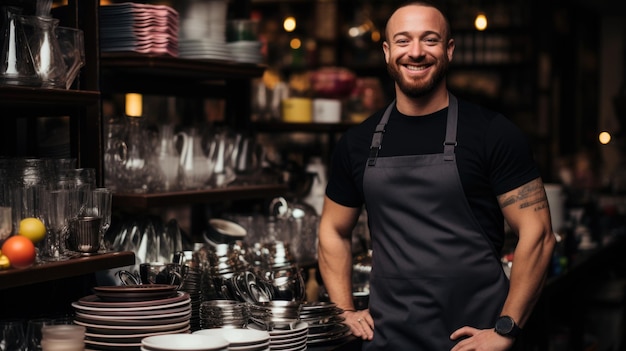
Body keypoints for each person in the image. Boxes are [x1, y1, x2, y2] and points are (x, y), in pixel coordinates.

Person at [317, 1, 556, 350]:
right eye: (403, 41)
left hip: (474, 338)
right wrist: (344, 310)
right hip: (387, 339)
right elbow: (332, 230)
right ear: (387, 52)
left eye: (429, 40)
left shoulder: (493, 133)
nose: (415, 52)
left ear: (449, 49)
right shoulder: (357, 143)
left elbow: (539, 234)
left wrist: (506, 329)